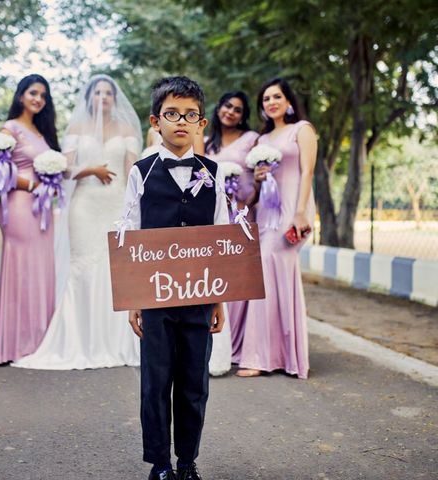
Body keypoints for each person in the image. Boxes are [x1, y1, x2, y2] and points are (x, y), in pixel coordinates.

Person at [125, 76, 229, 480]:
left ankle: (187, 462)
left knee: (193, 382)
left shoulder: (213, 172)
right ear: (156, 121)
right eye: (172, 114)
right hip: (154, 295)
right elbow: (130, 234)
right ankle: (160, 464)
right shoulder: (142, 172)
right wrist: (135, 297)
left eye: (190, 115)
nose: (180, 122)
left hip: (200, 296)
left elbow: (222, 235)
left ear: (201, 123)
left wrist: (218, 298)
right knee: (155, 380)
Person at [13, 74, 141, 370]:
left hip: (116, 203)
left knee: (115, 269)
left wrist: (133, 209)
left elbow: (132, 170)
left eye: (108, 93)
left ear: (115, 99)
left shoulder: (125, 129)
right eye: (98, 93)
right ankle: (81, 339)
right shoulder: (78, 129)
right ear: (89, 99)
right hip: (84, 205)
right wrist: (90, 169)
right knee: (83, 267)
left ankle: (116, 340)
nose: (104, 98)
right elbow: (65, 168)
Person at [236, 77, 316, 379]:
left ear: (289, 101)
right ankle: (275, 353)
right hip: (265, 210)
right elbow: (256, 186)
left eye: (276, 97)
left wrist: (300, 212)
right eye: (266, 99)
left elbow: (308, 170)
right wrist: (257, 177)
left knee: (271, 272)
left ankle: (261, 356)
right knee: (267, 276)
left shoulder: (302, 130)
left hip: (292, 210)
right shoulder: (262, 139)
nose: (271, 102)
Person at [0, 74, 60, 365]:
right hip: (21, 205)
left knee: (40, 268)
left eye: (43, 96)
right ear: (21, 95)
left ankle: (39, 338)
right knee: (23, 267)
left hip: (43, 207)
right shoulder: (10, 129)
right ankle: (18, 343)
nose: (38, 99)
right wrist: (34, 185)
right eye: (33, 93)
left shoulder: (40, 131)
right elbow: (1, 172)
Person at [203, 91, 259, 373]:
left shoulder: (251, 140)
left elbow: (256, 179)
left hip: (240, 214)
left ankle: (242, 346)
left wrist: (245, 202)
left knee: (239, 281)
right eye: (228, 106)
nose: (231, 112)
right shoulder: (205, 141)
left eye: (238, 109)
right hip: (213, 219)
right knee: (217, 278)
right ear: (219, 108)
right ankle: (218, 344)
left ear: (243, 115)